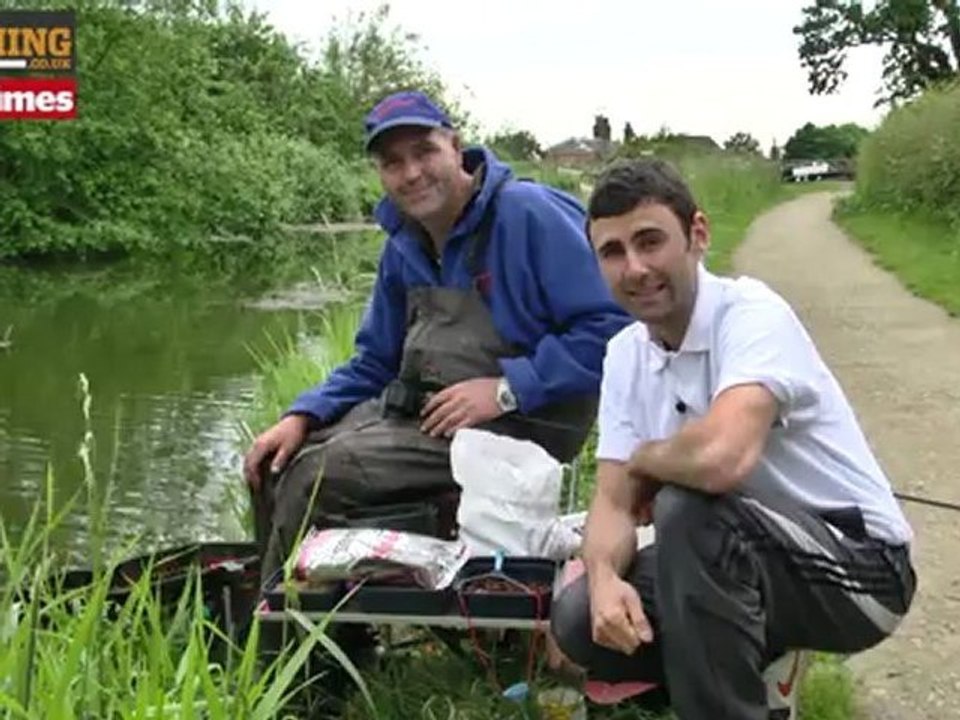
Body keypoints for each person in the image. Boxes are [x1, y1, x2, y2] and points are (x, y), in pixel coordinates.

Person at [549, 158, 916, 720]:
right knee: (579, 621)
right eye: (613, 252)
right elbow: (612, 502)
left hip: (862, 568)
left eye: (650, 241)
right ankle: (751, 670)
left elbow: (721, 459)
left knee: (690, 510)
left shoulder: (752, 316)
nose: (636, 268)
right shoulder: (624, 354)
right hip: (746, 556)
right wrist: (601, 581)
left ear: (697, 234)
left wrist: (645, 458)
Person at [244, 90, 631, 580]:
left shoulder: (528, 214)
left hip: (525, 426)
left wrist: (507, 389)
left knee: (313, 475)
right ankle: (301, 601)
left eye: (424, 152)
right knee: (274, 462)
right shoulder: (404, 244)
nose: (411, 173)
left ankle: (279, 621)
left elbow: (616, 327)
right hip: (429, 421)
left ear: (455, 146)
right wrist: (302, 414)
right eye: (393, 162)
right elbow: (375, 362)